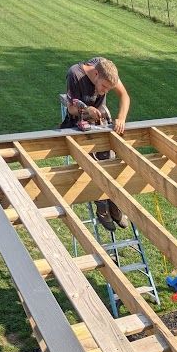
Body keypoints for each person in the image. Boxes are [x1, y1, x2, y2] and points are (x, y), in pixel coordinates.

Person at [60, 57, 131, 232]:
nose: (105, 91)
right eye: (104, 87)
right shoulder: (75, 75)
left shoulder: (107, 69)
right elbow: (70, 108)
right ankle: (102, 207)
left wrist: (121, 118)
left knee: (111, 162)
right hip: (79, 125)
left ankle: (114, 205)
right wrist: (85, 110)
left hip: (100, 123)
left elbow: (125, 96)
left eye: (108, 88)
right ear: (96, 74)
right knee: (93, 165)